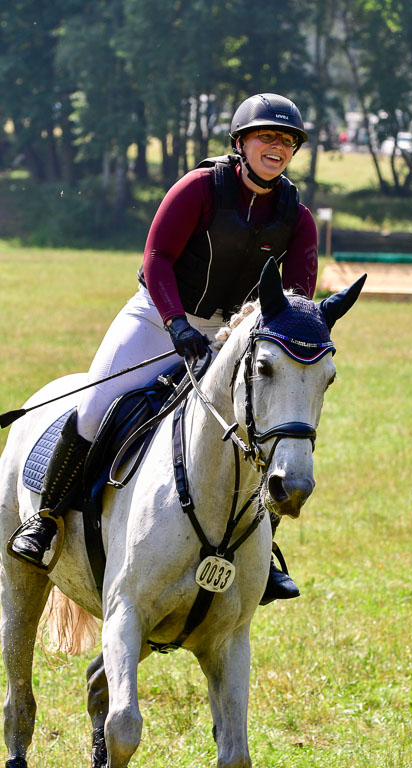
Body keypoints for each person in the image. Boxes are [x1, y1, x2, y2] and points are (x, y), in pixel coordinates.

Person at [10, 92, 318, 603]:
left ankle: (263, 555)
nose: (277, 146)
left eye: (286, 141)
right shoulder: (199, 188)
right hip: (158, 314)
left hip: (230, 336)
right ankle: (44, 523)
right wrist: (177, 325)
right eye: (267, 136)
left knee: (259, 436)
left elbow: (296, 299)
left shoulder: (297, 216)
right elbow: (157, 258)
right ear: (241, 143)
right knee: (92, 411)